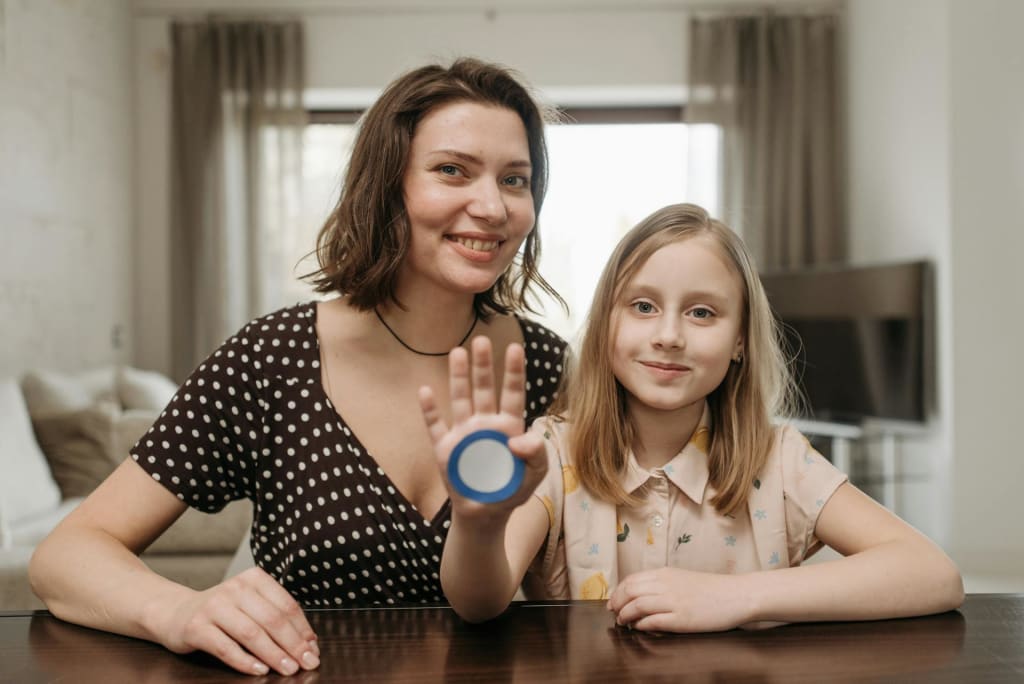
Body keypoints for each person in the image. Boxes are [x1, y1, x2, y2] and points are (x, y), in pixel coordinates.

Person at [29, 57, 568, 676]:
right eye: (452, 171)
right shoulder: (271, 359)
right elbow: (65, 555)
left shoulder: (550, 368)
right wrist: (178, 610)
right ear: (387, 184)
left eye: (515, 180)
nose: (493, 207)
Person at [419, 202, 964, 629]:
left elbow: (933, 574)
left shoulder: (780, 461)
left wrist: (733, 597)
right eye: (643, 306)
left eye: (702, 312)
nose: (669, 335)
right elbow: (478, 603)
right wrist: (477, 525)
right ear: (607, 324)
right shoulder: (554, 450)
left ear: (740, 340)